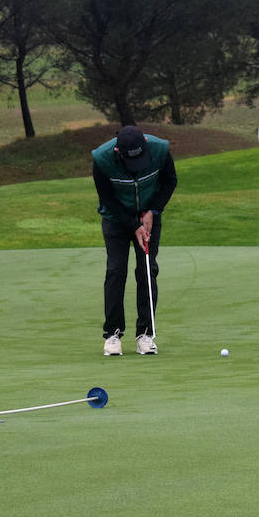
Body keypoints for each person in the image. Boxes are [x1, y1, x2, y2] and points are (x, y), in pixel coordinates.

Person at [91, 125, 177, 356]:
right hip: (116, 220)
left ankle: (145, 334)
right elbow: (107, 198)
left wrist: (153, 212)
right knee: (116, 271)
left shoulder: (160, 149)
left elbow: (170, 181)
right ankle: (113, 334)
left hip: (149, 216)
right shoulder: (102, 159)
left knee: (147, 270)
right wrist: (134, 224)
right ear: (118, 151)